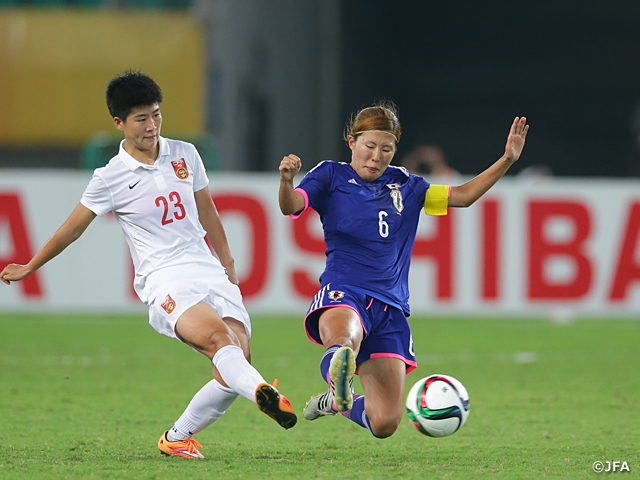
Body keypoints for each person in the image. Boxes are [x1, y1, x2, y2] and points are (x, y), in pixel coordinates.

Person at [0, 71, 297, 458]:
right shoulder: (110, 177)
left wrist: (227, 262)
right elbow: (71, 230)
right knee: (219, 342)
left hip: (207, 268)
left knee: (235, 362)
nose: (152, 125)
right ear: (119, 123)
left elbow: (208, 212)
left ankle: (177, 437)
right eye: (141, 119)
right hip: (164, 278)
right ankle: (264, 392)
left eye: (156, 115)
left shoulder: (186, 154)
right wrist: (30, 266)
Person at [278, 101, 528, 438]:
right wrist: (287, 181)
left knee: (384, 423)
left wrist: (507, 159)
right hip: (344, 292)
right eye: (369, 146)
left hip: (389, 308)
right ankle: (339, 373)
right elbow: (291, 205)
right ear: (352, 142)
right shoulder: (330, 175)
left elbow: (464, 196)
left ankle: (336, 401)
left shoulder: (408, 186)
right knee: (344, 341)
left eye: (386, 149)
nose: (376, 156)